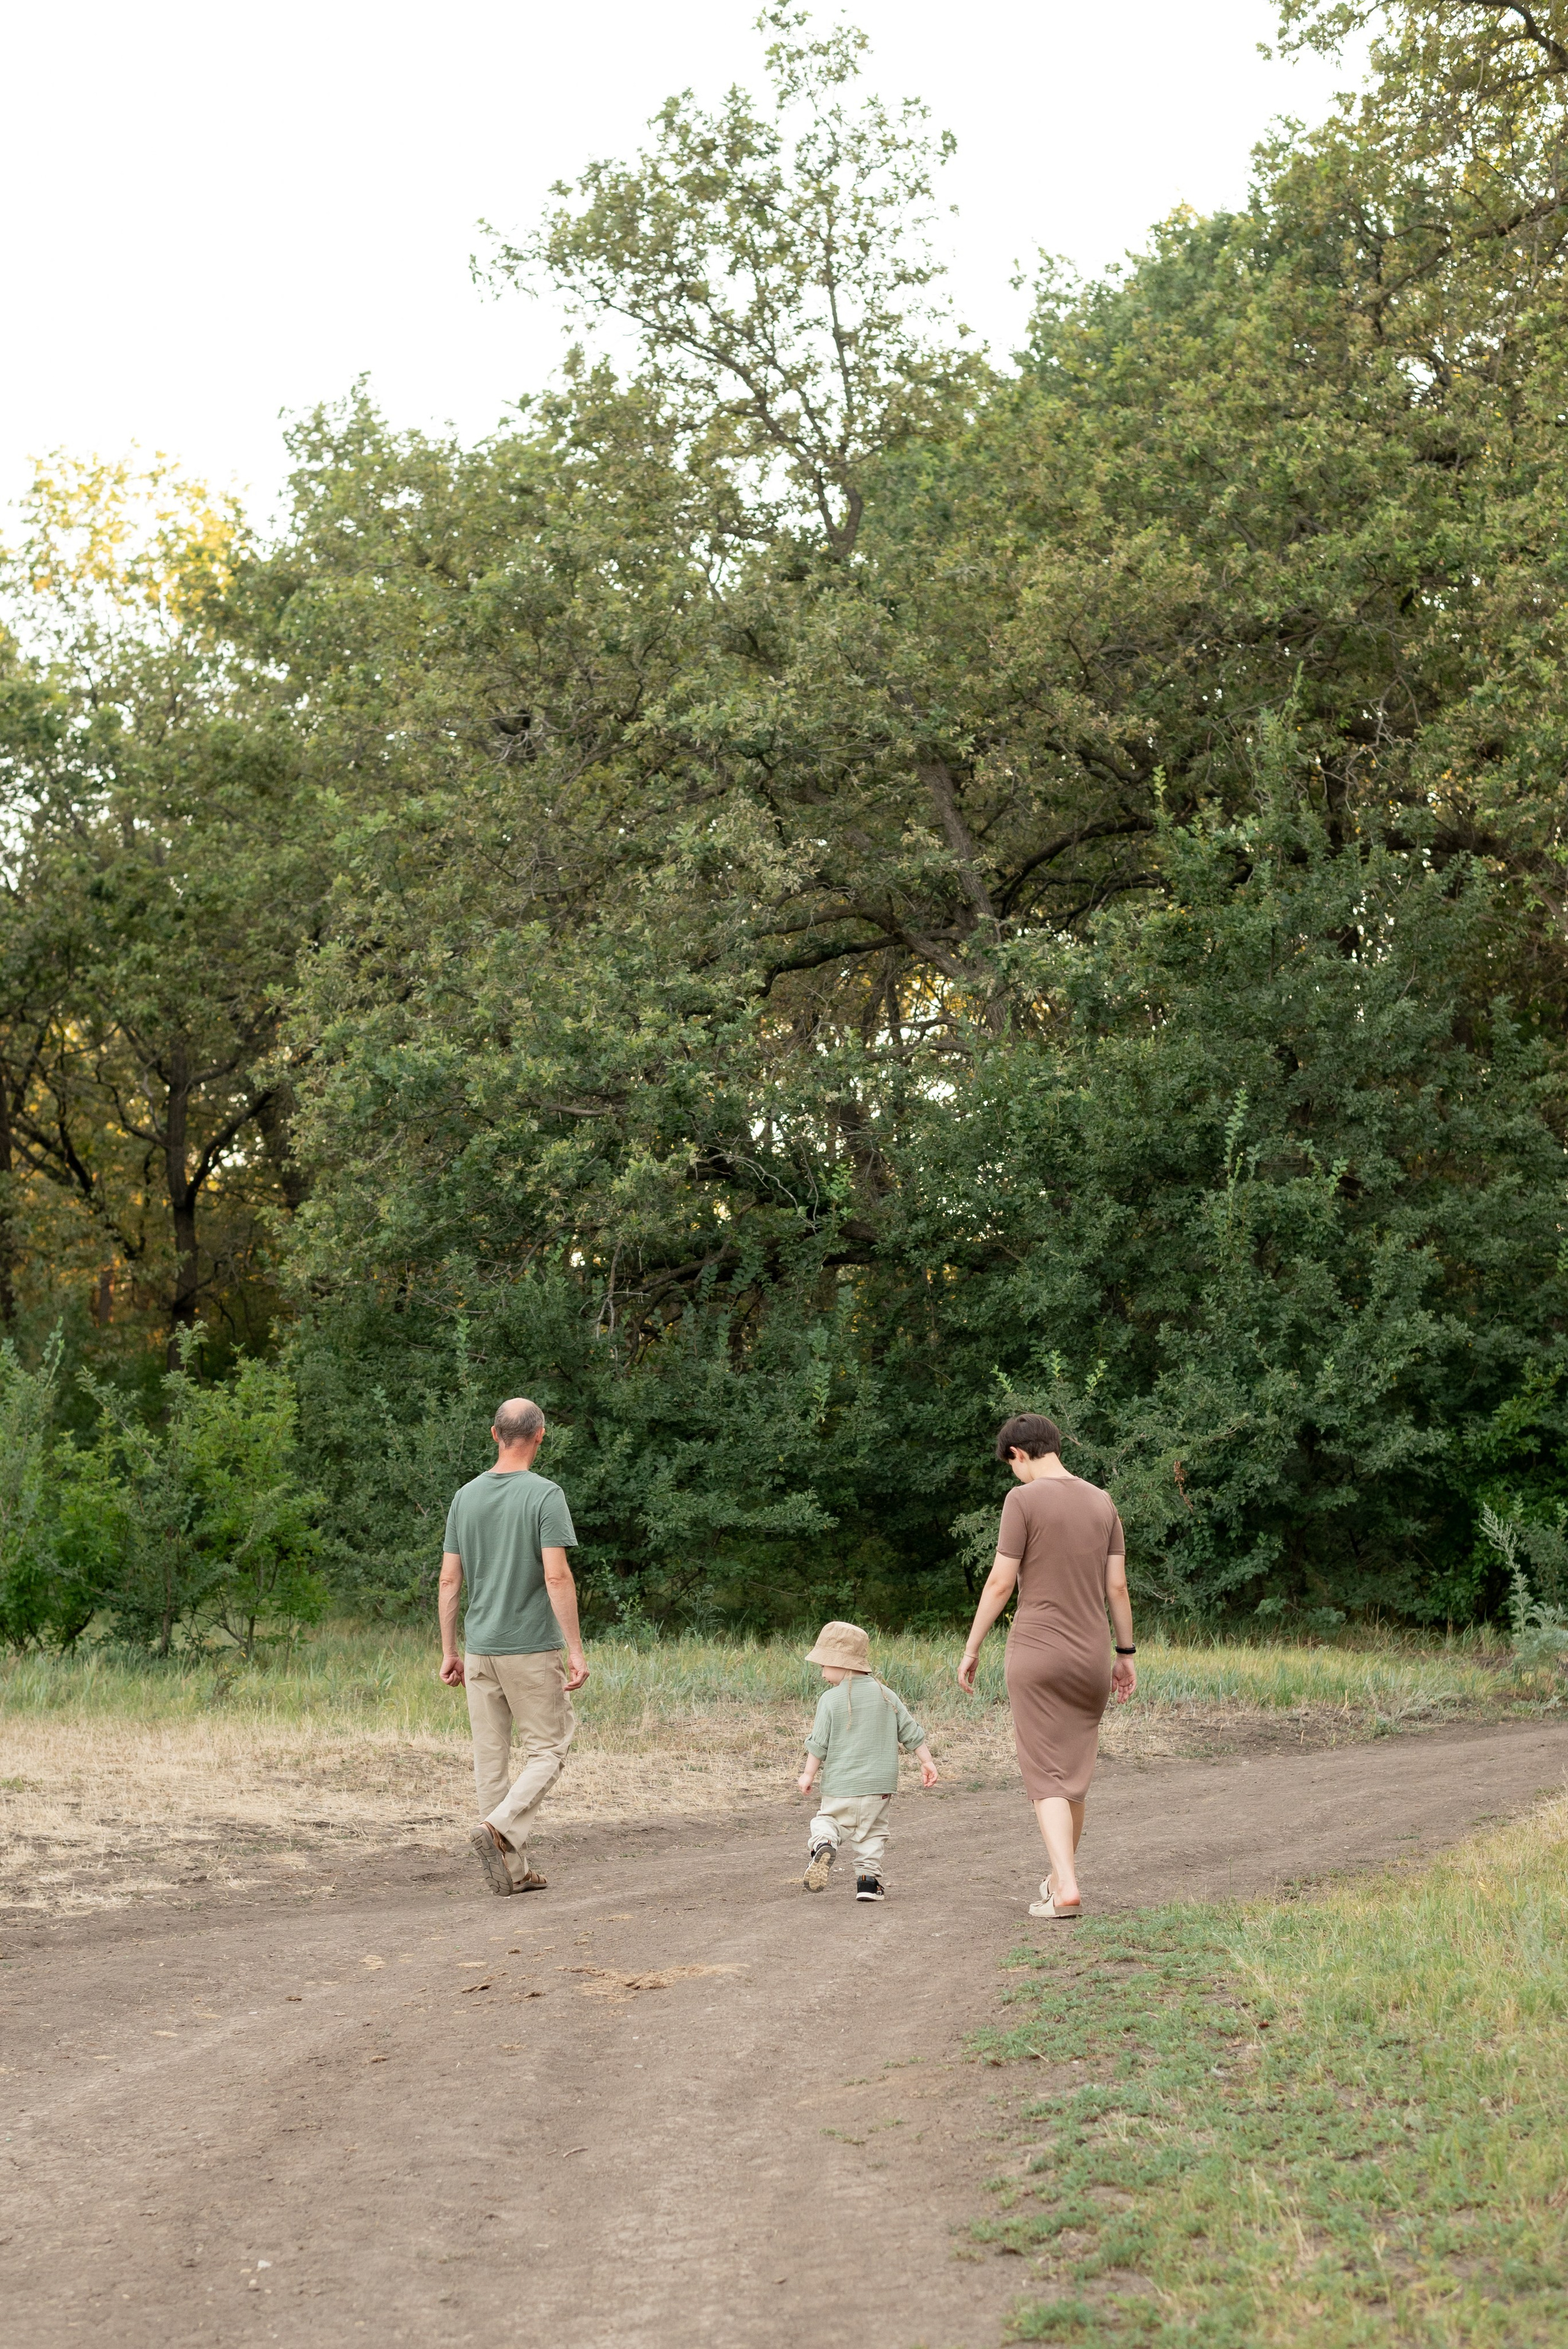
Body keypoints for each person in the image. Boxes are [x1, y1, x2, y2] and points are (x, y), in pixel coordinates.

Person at [957, 1414, 1136, 1920]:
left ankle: (1066, 1887)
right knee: (1072, 1774)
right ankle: (1060, 1878)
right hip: (1091, 1656)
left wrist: (972, 1647)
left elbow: (1000, 1582)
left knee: (1046, 1776)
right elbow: (1117, 1587)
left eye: (1010, 1464)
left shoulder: (1022, 1500)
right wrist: (1125, 1654)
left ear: (1017, 1453)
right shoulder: (1103, 1502)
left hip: (1037, 1652)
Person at [437, 1397, 589, 1896]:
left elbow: (449, 1580)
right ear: (540, 1435)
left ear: (494, 1433)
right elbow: (556, 1575)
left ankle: (516, 1871)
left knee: (491, 1759)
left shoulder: (465, 1497)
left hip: (479, 1649)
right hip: (530, 1648)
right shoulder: (546, 1495)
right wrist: (576, 1649)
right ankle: (499, 1827)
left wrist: (449, 1649)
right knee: (550, 1748)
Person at [796, 1619, 938, 1901]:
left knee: (828, 1821)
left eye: (824, 1665)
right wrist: (927, 1762)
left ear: (841, 1663)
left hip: (841, 1786)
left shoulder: (830, 1699)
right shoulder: (887, 1695)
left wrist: (808, 1774)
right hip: (878, 1787)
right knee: (872, 1834)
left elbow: (819, 1744)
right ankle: (868, 1883)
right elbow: (910, 1732)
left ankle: (824, 1843)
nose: (822, 1673)